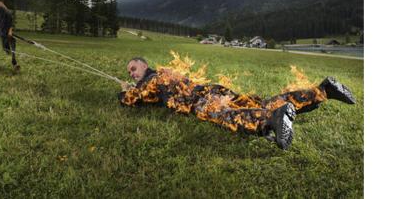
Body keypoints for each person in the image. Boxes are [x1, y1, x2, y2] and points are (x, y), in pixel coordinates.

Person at [118, 57, 356, 150]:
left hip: (204, 101)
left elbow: (133, 99)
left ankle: (270, 120)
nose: (131, 73)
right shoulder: (163, 75)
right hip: (216, 90)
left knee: (226, 115)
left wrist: (124, 92)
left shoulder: (153, 78)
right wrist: (134, 88)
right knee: (262, 102)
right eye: (129, 72)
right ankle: (322, 90)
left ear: (144, 65)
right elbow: (148, 98)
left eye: (134, 68)